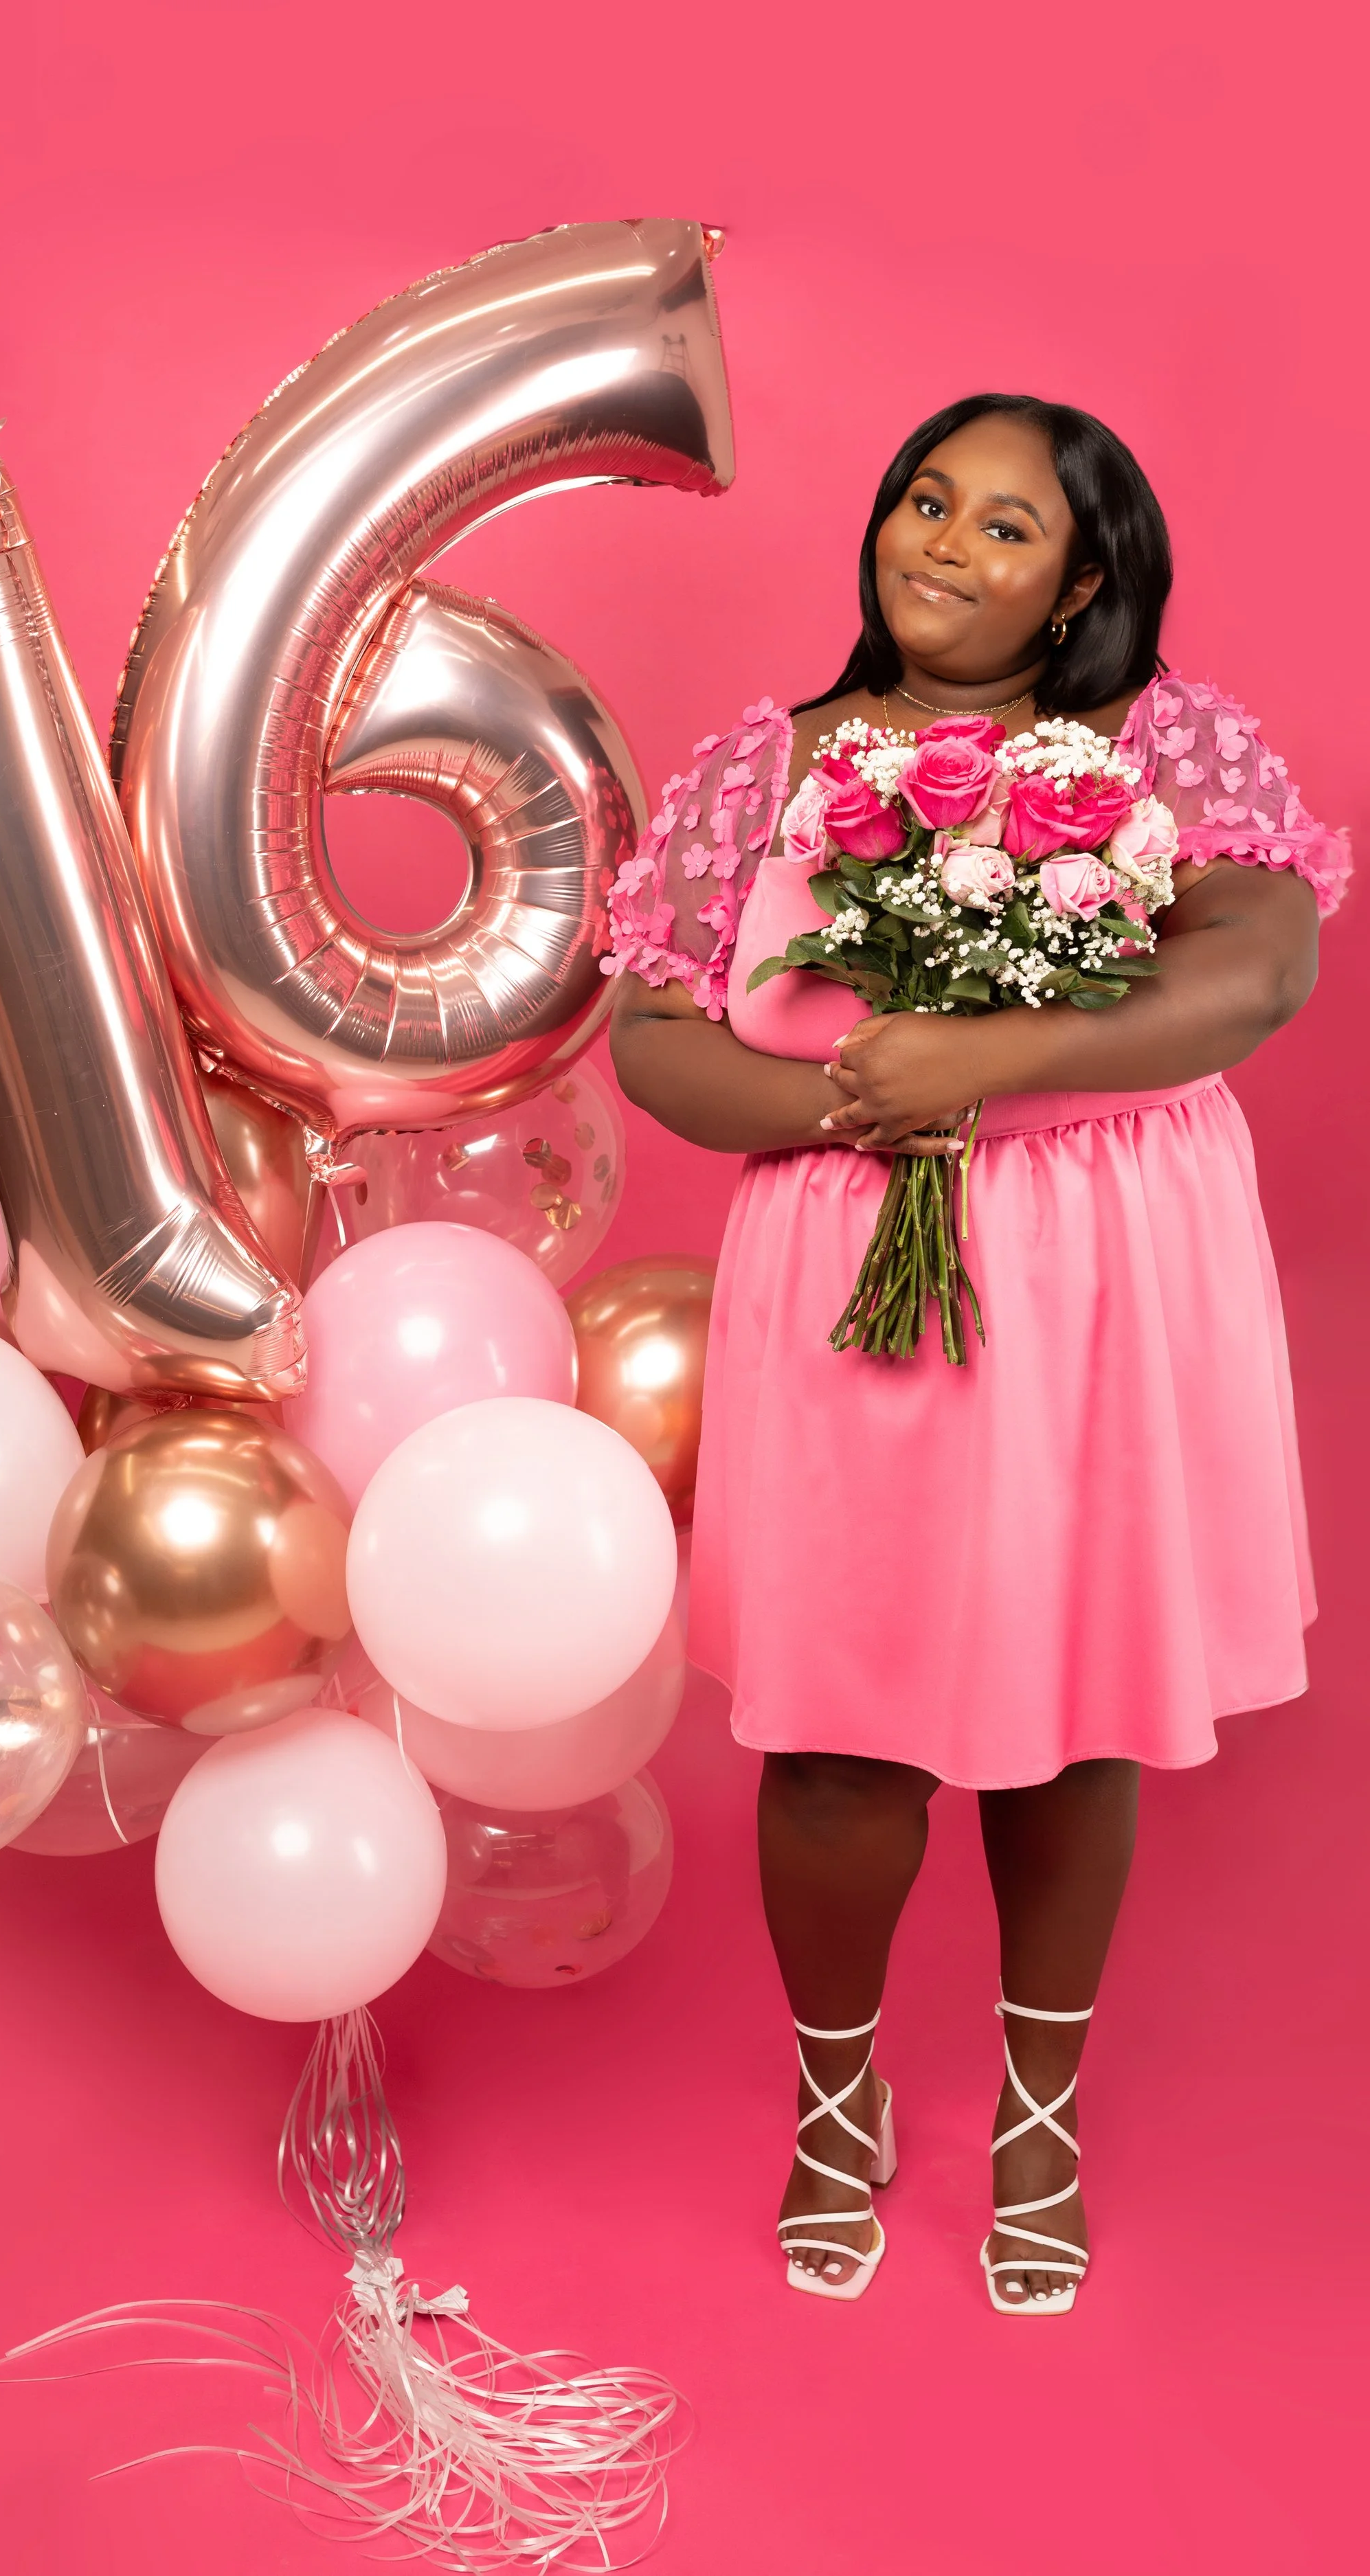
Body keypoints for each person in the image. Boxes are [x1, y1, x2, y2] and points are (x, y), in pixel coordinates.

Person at [607, 394, 1349, 2312]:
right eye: (921, 502)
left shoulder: (1161, 741)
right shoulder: (759, 765)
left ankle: (1039, 2109)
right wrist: (864, 1099)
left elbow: (1255, 965)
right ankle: (833, 2102)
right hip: (855, 1249)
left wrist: (991, 1050)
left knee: (1067, 1696)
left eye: (1002, 526)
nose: (939, 544)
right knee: (839, 1728)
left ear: (1081, 576)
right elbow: (658, 1037)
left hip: (1103, 1265)